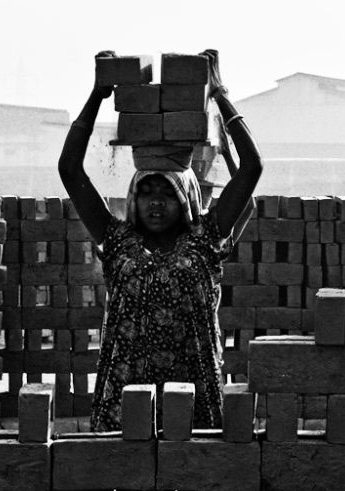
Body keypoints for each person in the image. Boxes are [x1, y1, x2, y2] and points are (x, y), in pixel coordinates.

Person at [59, 49, 262, 432]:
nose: (155, 201)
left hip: (194, 399)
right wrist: (97, 94)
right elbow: (70, 169)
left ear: (185, 196)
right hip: (124, 400)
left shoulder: (205, 239)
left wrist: (218, 94)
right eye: (146, 190)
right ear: (132, 196)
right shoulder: (116, 240)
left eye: (167, 192)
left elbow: (252, 168)